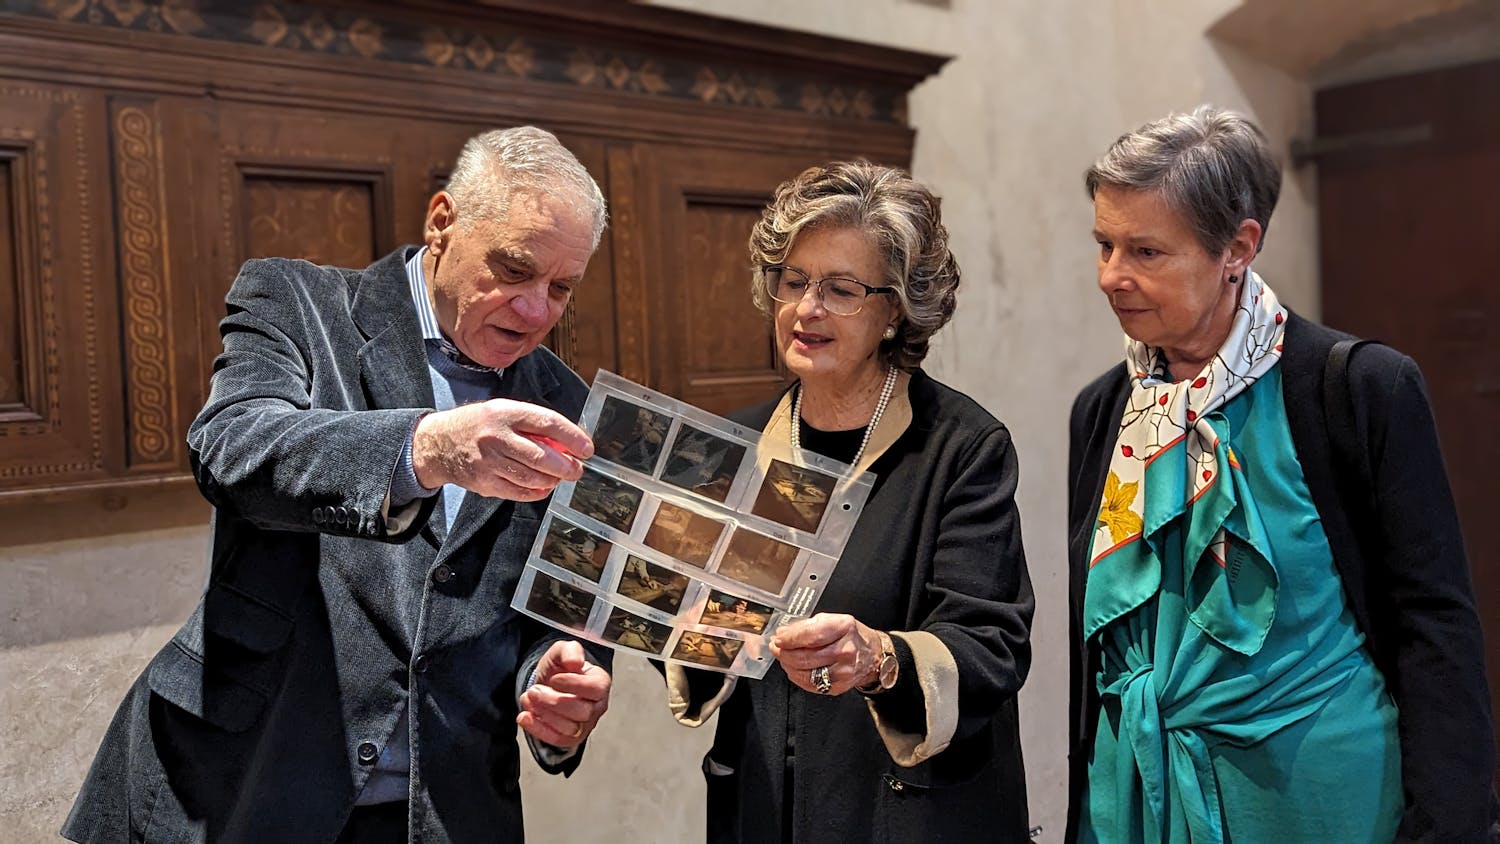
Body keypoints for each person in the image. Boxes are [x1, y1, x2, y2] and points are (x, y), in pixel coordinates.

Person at [63, 126, 616, 844]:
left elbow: (560, 608)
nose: (537, 311)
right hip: (244, 784)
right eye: (513, 270)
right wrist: (425, 448)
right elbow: (232, 448)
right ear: (442, 223)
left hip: (443, 808)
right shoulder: (298, 302)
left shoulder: (566, 405)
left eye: (561, 288)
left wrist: (561, 678)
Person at [1065, 106, 1495, 843]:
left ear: (1239, 246)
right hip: (1141, 797)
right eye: (1104, 244)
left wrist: (1449, 823)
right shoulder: (1104, 409)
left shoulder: (1361, 389)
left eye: (1145, 251)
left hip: (1324, 802)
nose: (1112, 276)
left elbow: (1435, 621)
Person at [666, 161, 1035, 842]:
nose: (807, 309)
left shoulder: (961, 447)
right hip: (762, 810)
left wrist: (879, 658)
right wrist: (686, 621)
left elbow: (992, 644)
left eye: (841, 289)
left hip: (910, 815)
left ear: (894, 308)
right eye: (795, 281)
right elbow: (692, 639)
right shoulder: (738, 445)